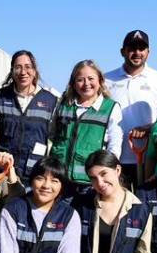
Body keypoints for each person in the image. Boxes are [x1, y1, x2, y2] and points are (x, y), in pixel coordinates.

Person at [105, 30, 157, 186]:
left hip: (148, 158)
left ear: (148, 52)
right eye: (132, 48)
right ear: (123, 51)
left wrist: (149, 128)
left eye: (142, 49)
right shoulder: (106, 79)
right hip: (115, 158)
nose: (137, 53)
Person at [51, 60, 124, 191]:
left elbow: (115, 144)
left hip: (90, 182)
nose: (86, 84)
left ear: (100, 80)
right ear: (73, 83)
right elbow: (52, 135)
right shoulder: (63, 105)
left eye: (91, 78)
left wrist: (106, 174)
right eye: (80, 79)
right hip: (59, 178)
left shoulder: (110, 108)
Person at [0, 50, 59, 181]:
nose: (23, 72)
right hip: (3, 171)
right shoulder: (2, 96)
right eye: (18, 67)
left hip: (34, 174)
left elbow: (57, 138)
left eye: (28, 67)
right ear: (12, 70)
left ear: (34, 70)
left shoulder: (50, 100)